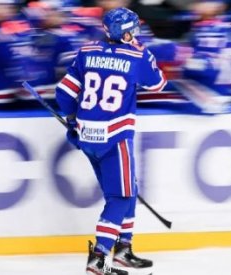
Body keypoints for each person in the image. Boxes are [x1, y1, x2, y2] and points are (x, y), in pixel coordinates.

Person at [55, 7, 166, 275]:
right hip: (116, 137)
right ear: (126, 31)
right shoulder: (138, 54)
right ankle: (100, 259)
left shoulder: (86, 51)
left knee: (128, 189)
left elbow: (64, 92)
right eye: (133, 29)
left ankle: (123, 251)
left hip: (88, 137)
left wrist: (72, 121)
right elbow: (158, 83)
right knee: (121, 196)